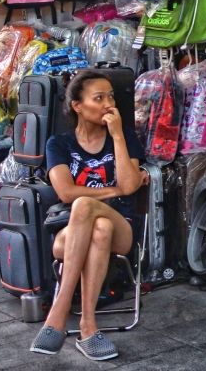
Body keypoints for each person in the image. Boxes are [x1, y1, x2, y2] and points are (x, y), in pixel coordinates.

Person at [30, 70, 148, 361]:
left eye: (111, 96)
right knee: (98, 226)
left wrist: (118, 134)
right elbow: (66, 193)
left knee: (89, 209)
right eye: (99, 97)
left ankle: (58, 313)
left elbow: (131, 187)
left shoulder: (124, 137)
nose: (109, 103)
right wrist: (113, 189)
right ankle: (87, 326)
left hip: (123, 228)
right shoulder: (59, 144)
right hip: (72, 232)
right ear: (78, 106)